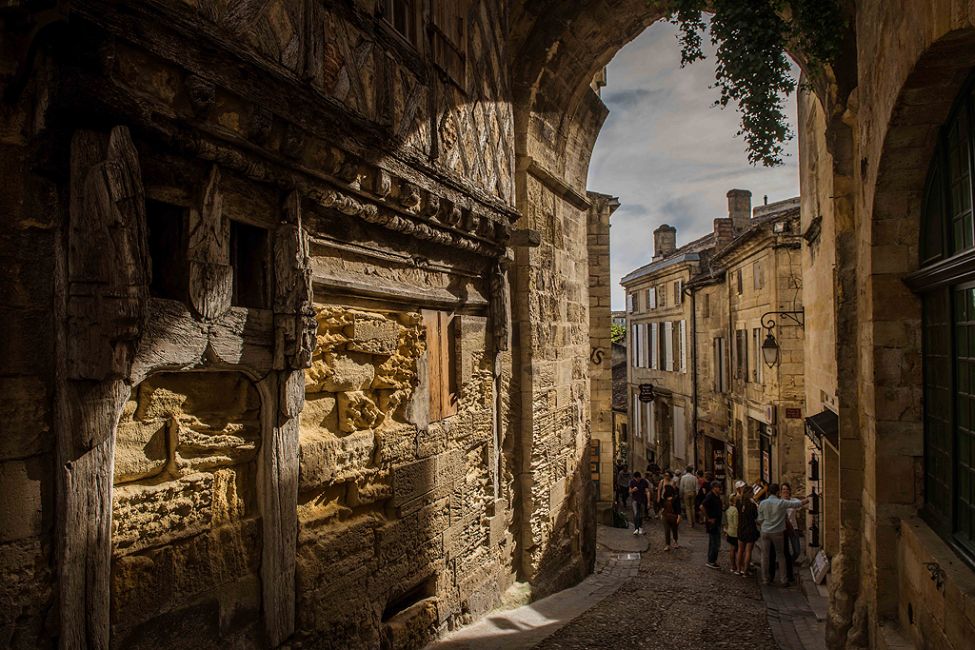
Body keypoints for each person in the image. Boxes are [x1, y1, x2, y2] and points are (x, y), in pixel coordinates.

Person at [756, 483, 809, 586]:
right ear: (777, 492)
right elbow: (796, 504)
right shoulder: (781, 503)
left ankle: (765, 579)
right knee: (781, 555)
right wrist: (809, 499)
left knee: (765, 556)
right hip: (778, 532)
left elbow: (760, 519)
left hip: (765, 531)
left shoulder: (763, 503)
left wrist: (766, 524)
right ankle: (783, 579)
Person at [737, 485, 760, 578]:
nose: (754, 494)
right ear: (749, 494)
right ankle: (745, 571)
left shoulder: (739, 502)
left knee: (740, 550)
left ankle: (739, 569)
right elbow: (755, 516)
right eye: (752, 492)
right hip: (750, 528)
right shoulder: (752, 505)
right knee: (748, 551)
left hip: (741, 528)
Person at [781, 483, 802, 581]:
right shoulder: (779, 502)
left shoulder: (794, 501)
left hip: (794, 528)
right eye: (783, 489)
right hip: (783, 530)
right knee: (785, 552)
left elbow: (802, 504)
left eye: (786, 489)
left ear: (789, 490)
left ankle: (790, 563)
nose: (785, 491)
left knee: (797, 551)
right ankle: (788, 568)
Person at [701, 480, 724, 569]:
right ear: (714, 488)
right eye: (718, 487)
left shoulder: (716, 496)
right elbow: (702, 506)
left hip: (717, 522)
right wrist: (708, 518)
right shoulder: (710, 496)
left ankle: (712, 560)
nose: (720, 489)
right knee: (715, 542)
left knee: (714, 542)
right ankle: (711, 561)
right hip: (713, 523)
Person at [659, 483, 682, 550]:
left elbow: (678, 508)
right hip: (665, 516)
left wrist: (679, 517)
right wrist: (661, 513)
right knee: (667, 530)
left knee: (674, 529)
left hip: (674, 516)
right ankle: (667, 544)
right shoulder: (663, 498)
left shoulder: (676, 498)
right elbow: (662, 507)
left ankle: (675, 541)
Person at [628, 471, 652, 536]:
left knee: (641, 515)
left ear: (639, 477)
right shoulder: (632, 482)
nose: (636, 480)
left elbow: (647, 492)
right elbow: (629, 491)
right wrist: (633, 490)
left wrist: (649, 502)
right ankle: (636, 529)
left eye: (637, 479)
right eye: (635, 479)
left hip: (642, 500)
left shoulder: (644, 482)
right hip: (635, 500)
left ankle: (640, 528)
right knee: (636, 514)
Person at [725, 494, 740, 574]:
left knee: (732, 549)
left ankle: (732, 566)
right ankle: (738, 566)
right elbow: (736, 523)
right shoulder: (735, 510)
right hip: (735, 532)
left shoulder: (729, 509)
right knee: (738, 550)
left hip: (730, 531)